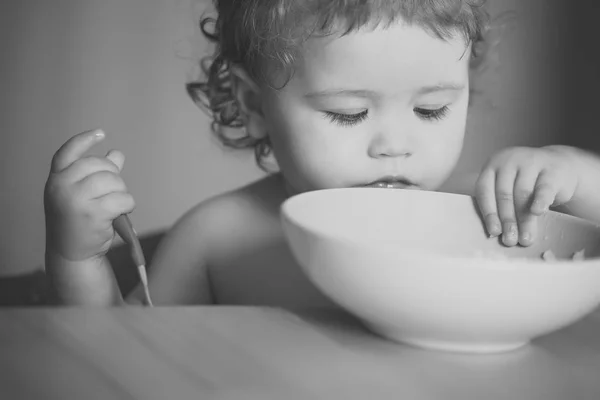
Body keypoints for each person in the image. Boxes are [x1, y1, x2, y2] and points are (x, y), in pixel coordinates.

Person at [43, 0, 600, 307]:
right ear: (254, 105)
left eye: (430, 109)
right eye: (349, 113)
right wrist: (77, 263)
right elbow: (132, 355)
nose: (394, 145)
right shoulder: (218, 237)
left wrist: (573, 173)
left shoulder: (482, 211)